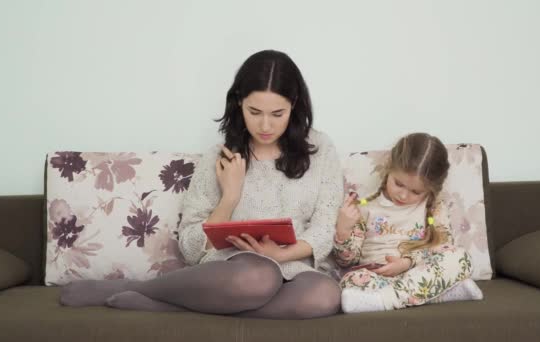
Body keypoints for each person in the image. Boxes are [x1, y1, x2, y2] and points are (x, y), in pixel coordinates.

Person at [60, 50, 344, 319]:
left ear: (293, 105)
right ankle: (127, 287)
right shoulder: (219, 156)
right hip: (237, 272)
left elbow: (324, 226)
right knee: (260, 276)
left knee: (326, 296)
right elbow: (191, 247)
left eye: (277, 114)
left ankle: (171, 308)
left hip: (297, 270)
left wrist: (281, 254)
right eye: (254, 112)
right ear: (239, 103)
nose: (265, 126)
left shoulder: (320, 148)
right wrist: (229, 197)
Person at [334, 132, 483, 313]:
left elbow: (442, 250)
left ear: (430, 189)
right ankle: (436, 296)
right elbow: (347, 261)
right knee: (350, 282)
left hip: (418, 272)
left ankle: (385, 300)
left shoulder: (434, 208)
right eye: (398, 183)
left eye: (416, 191)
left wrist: (407, 263)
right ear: (389, 168)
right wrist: (343, 230)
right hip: (378, 276)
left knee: (460, 257)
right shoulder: (364, 208)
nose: (403, 195)